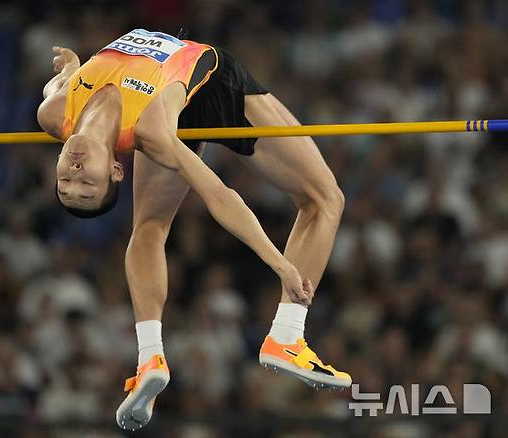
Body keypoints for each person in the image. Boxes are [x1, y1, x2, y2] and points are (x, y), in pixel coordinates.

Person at [37, 29, 350, 431]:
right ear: (117, 169)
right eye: (88, 185)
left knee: (149, 226)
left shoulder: (54, 113)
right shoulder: (152, 133)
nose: (75, 175)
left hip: (173, 101)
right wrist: (281, 267)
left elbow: (56, 84)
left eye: (67, 183)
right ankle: (288, 334)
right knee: (326, 199)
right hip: (212, 86)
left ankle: (151, 357)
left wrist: (71, 68)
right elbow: (219, 195)